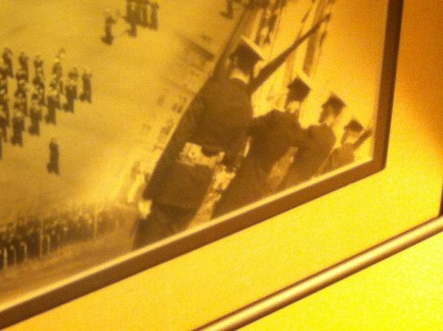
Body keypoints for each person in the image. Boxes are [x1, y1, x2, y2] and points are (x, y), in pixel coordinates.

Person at [133, 37, 260, 249]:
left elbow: (178, 138)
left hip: (172, 183)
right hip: (197, 190)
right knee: (166, 253)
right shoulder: (247, 109)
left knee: (143, 250)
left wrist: (149, 192)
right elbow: (232, 157)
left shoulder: (212, 90)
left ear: (234, 62)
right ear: (251, 70)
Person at [211, 75, 310, 218]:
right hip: (260, 183)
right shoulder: (296, 129)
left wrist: (270, 106)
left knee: (222, 215)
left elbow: (249, 125)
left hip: (246, 174)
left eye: (289, 94)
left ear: (291, 95)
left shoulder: (275, 116)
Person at [277, 94, 346, 191]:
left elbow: (292, 138)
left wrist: (291, 114)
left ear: (328, 110)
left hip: (292, 180)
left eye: (323, 110)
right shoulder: (332, 139)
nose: (320, 112)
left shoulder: (314, 131)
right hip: (305, 184)